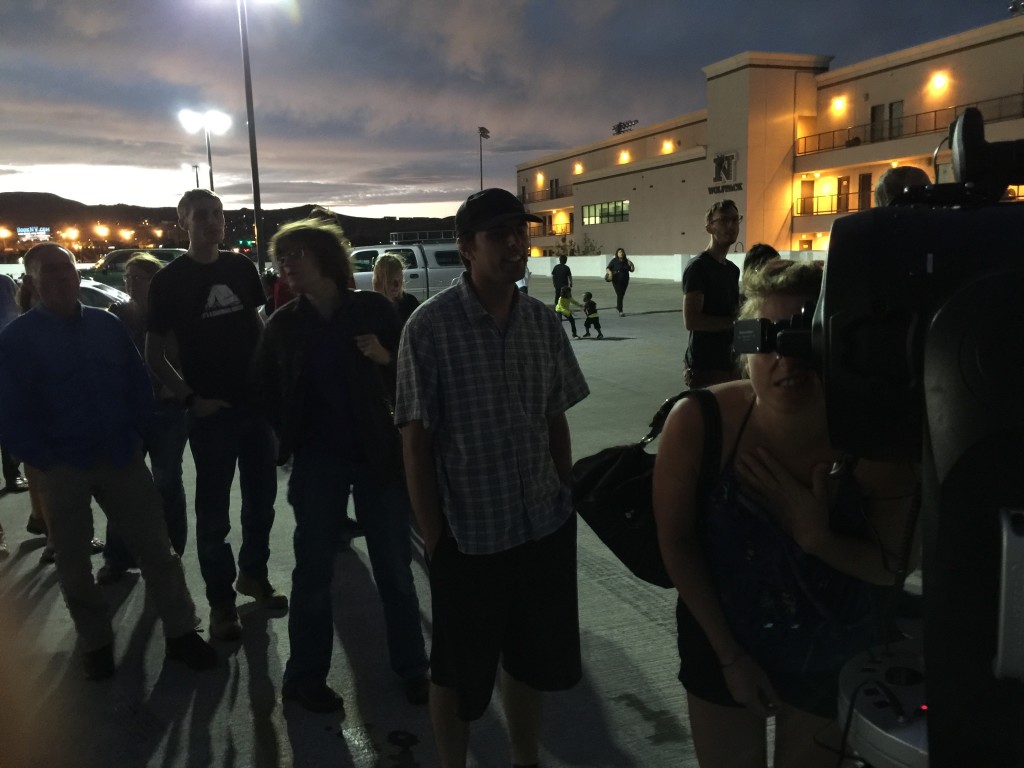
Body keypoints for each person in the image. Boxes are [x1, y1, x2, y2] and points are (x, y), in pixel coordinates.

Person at [653, 261, 919, 768]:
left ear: (834, 344)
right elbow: (677, 541)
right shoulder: (700, 422)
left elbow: (893, 564)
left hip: (834, 646)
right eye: (766, 337)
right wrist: (730, 657)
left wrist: (817, 536)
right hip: (721, 634)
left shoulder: (872, 440)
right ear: (744, 345)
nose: (785, 359)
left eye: (803, 338)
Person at [396, 187, 590, 768]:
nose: (514, 245)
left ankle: (523, 757)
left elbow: (555, 417)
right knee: (457, 670)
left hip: (542, 526)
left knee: (530, 661)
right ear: (465, 250)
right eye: (498, 235)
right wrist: (435, 539)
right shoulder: (428, 329)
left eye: (520, 233)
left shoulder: (541, 323)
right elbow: (415, 442)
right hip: (470, 536)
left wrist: (564, 494)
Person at [0, 243, 217, 680]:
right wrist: (37, 457)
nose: (60, 278)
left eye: (66, 270)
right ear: (31, 281)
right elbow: (9, 407)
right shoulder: (16, 341)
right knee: (74, 562)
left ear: (77, 276)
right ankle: (96, 642)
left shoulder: (106, 326)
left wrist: (136, 434)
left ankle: (180, 633)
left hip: (119, 455)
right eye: (48, 272)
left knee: (158, 550)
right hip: (61, 466)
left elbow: (136, 380)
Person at [258, 218, 430, 714]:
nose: (286, 266)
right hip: (318, 463)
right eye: (281, 258)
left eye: (296, 255)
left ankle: (413, 669)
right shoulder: (284, 324)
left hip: (378, 456)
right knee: (312, 573)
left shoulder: (374, 309)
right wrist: (286, 439)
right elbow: (264, 387)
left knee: (395, 569)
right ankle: (304, 677)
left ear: (326, 259)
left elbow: (415, 375)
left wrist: (385, 356)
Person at [146, 188, 285, 643]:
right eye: (201, 215)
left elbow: (256, 322)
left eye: (218, 214)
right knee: (214, 514)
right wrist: (191, 399)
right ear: (182, 222)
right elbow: (153, 355)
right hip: (212, 415)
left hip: (254, 407)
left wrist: (269, 377)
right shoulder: (170, 281)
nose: (212, 221)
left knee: (262, 503)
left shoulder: (240, 268)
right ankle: (222, 603)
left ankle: (254, 576)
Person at [97, 254, 190, 585]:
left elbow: (190, 355)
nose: (130, 284)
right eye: (127, 278)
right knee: (122, 484)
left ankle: (171, 551)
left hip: (167, 410)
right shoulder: (117, 316)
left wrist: (176, 384)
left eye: (139, 277)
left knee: (167, 482)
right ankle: (117, 557)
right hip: (129, 412)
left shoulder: (174, 314)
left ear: (156, 280)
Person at [682, 200, 742, 389]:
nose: (731, 226)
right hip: (706, 368)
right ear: (709, 227)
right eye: (724, 220)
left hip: (731, 364)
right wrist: (735, 324)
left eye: (735, 220)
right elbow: (692, 321)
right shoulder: (698, 267)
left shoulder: (732, 270)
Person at [372, 252, 420, 327]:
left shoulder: (410, 302)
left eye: (400, 280)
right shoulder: (371, 307)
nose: (397, 285)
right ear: (379, 280)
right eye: (391, 281)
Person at [605, 247, 635, 316]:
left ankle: (618, 307)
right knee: (619, 294)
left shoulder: (626, 261)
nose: (621, 253)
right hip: (616, 280)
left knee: (621, 294)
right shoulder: (614, 261)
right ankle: (620, 311)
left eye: (622, 252)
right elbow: (607, 268)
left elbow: (632, 270)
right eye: (619, 252)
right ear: (617, 253)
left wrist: (632, 264)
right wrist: (610, 273)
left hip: (625, 280)